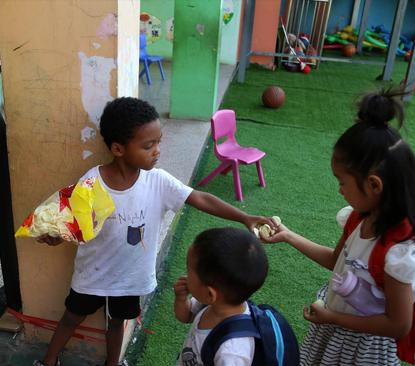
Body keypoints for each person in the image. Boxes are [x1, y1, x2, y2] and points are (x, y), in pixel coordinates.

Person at [33, 97, 276, 366]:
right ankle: (49, 360)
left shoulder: (158, 181)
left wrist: (244, 217)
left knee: (117, 324)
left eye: (159, 142)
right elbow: (75, 224)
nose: (157, 151)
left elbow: (201, 199)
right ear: (118, 148)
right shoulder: (92, 182)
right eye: (149, 146)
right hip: (92, 274)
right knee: (72, 317)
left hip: (129, 279)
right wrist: (56, 236)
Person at [263, 88, 415, 365]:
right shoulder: (360, 216)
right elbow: (337, 260)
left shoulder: (397, 253)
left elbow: (399, 325)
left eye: (342, 181)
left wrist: (333, 318)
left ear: (374, 185)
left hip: (363, 350)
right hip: (334, 330)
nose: (340, 190)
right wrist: (288, 236)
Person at [174, 228, 268, 365]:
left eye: (189, 270)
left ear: (210, 294)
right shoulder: (215, 303)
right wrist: (181, 299)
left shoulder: (231, 352)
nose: (186, 276)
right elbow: (186, 316)